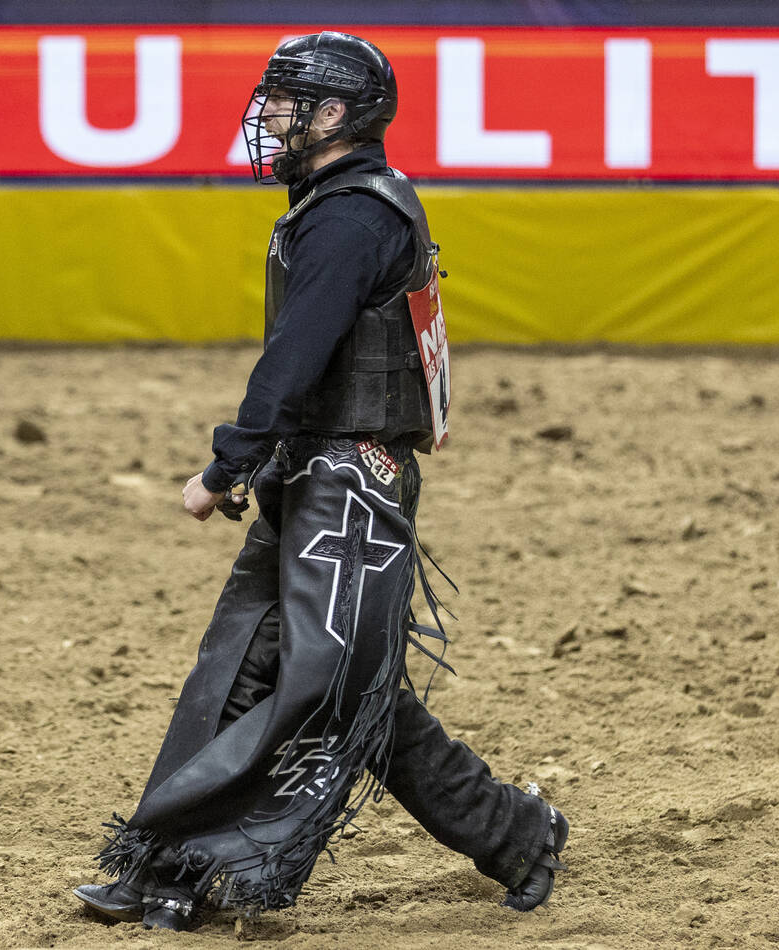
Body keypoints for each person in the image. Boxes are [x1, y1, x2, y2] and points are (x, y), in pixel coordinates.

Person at [73, 31, 568, 932]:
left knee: (328, 682)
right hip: (320, 471)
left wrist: (229, 460)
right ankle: (168, 868)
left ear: (334, 115)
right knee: (255, 667)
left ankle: (514, 833)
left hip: (352, 481)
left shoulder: (352, 215)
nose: (266, 117)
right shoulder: (342, 204)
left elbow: (296, 355)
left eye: (284, 102)